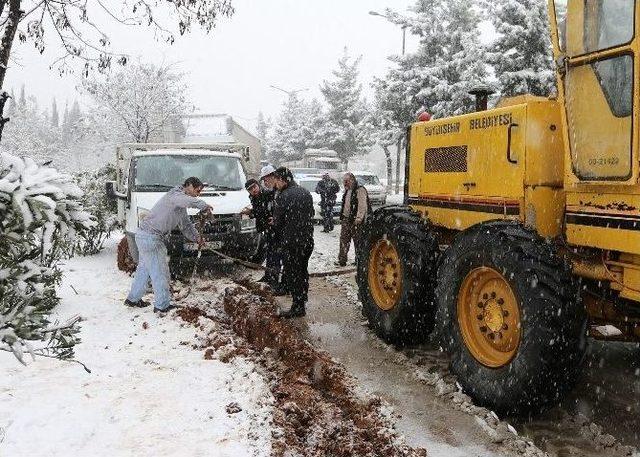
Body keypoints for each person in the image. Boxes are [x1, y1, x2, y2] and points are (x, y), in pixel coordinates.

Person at [124, 177, 212, 314]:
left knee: (144, 270)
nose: (197, 194)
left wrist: (197, 238)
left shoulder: (180, 207)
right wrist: (202, 205)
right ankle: (162, 305)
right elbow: (186, 200)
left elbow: (186, 226)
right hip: (151, 238)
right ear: (188, 186)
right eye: (197, 190)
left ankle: (133, 299)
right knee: (160, 272)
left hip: (145, 236)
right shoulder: (175, 195)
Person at [270, 167, 315, 318]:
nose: (275, 184)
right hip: (306, 240)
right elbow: (310, 215)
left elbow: (278, 221)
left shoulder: (283, 195)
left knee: (294, 273)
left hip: (291, 242)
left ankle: (298, 306)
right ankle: (302, 300)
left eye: (276, 180)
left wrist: (275, 223)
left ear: (282, 180)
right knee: (302, 272)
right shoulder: (305, 192)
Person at [242, 177, 280, 286]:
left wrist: (275, 218)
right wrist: (251, 212)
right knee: (269, 253)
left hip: (273, 227)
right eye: (250, 189)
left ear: (258, 185)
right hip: (265, 228)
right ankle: (268, 276)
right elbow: (259, 212)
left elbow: (271, 209)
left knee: (275, 254)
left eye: (254, 187)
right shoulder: (254, 197)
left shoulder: (268, 194)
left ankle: (274, 278)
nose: (253, 190)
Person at [337, 172, 371, 267]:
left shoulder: (360, 190)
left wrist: (359, 218)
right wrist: (343, 217)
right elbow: (346, 205)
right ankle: (342, 260)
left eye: (346, 181)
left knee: (358, 242)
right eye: (344, 181)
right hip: (346, 219)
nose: (344, 183)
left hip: (356, 221)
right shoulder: (347, 190)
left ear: (352, 180)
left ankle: (359, 261)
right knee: (344, 240)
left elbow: (362, 206)